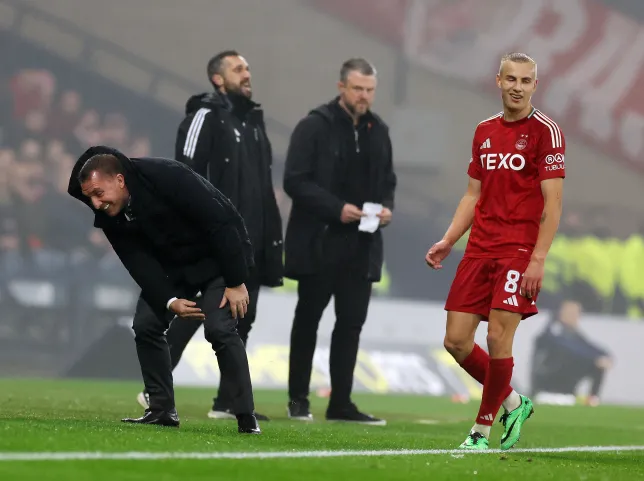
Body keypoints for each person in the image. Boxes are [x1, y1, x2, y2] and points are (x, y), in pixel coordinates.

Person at [425, 52, 565, 450]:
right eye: (511, 79)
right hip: (479, 247)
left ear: (535, 86)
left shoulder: (546, 132)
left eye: (526, 80)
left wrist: (538, 259)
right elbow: (474, 193)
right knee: (455, 341)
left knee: (499, 336)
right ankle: (514, 401)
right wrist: (449, 239)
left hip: (518, 250)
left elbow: (553, 204)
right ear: (498, 81)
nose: (518, 87)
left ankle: (480, 431)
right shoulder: (484, 131)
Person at [67, 145, 260, 434]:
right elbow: (137, 261)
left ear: (120, 180)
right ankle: (161, 410)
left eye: (98, 193)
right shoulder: (109, 213)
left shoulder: (168, 176)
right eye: (90, 198)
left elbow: (221, 222)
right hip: (174, 269)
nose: (96, 204)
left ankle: (246, 417)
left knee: (219, 329)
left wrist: (235, 281)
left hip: (216, 261)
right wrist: (169, 300)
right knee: (145, 325)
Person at [134, 50, 283, 421]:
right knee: (198, 311)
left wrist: (268, 241)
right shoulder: (205, 116)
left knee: (239, 319)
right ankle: (156, 388)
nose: (247, 73)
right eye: (238, 68)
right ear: (218, 79)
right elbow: (183, 176)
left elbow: (264, 190)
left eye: (247, 67)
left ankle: (228, 400)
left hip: (250, 242)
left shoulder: (253, 123)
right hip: (212, 238)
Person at [283, 58, 397, 424]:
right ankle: (298, 399)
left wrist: (388, 210)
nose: (364, 96)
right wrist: (337, 209)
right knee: (308, 321)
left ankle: (341, 404)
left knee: (350, 326)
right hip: (320, 241)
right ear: (341, 87)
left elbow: (389, 182)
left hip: (361, 246)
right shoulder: (314, 126)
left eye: (370, 90)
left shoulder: (378, 130)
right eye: (358, 89)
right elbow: (294, 181)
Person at [531, 300, 612, 406]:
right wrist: (594, 359)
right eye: (570, 313)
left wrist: (605, 356)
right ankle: (558, 392)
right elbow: (569, 348)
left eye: (576, 313)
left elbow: (590, 347)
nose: (574, 317)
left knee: (598, 363)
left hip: (566, 383)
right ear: (561, 313)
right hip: (548, 383)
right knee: (576, 357)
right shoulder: (554, 331)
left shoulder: (574, 334)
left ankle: (592, 399)